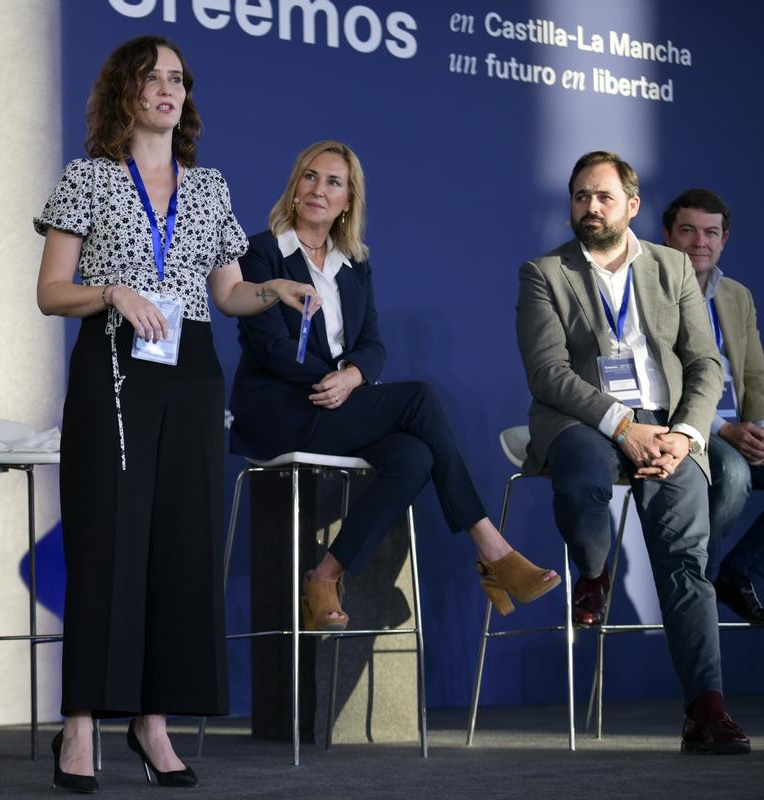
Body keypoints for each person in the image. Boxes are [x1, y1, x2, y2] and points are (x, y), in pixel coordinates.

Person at [33, 36, 317, 793]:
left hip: (190, 367)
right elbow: (51, 292)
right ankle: (82, 723)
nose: (168, 89)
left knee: (181, 547)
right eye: (152, 77)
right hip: (115, 367)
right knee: (107, 543)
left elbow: (225, 293)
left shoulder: (209, 186)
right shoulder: (87, 178)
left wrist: (273, 291)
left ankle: (153, 723)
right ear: (123, 89)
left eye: (177, 80)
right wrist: (113, 292)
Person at [229, 140, 560, 634]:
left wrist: (354, 377)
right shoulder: (260, 252)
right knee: (420, 397)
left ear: (348, 200)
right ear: (295, 187)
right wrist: (338, 384)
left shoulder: (354, 264)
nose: (320, 189)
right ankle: (494, 549)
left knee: (414, 457)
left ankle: (324, 575)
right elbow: (272, 346)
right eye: (311, 177)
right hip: (281, 407)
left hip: (339, 403)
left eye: (334, 182)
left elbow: (372, 343)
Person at [515, 151, 750, 753]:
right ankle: (594, 572)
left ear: (632, 206)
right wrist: (622, 425)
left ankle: (706, 710)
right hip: (582, 419)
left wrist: (685, 435)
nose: (590, 207)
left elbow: (704, 362)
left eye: (603, 197)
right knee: (584, 482)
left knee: (684, 562)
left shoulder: (672, 266)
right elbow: (548, 373)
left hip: (668, 429)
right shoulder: (544, 272)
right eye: (580, 196)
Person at [662, 189, 764, 622]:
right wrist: (725, 429)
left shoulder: (736, 296)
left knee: (748, 458)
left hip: (735, 427)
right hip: (685, 422)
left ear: (723, 240)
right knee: (735, 473)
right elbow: (661, 380)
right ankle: (691, 577)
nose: (699, 242)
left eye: (710, 233)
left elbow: (755, 375)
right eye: (687, 231)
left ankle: (733, 572)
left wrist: (756, 428)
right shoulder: (652, 291)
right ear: (668, 236)